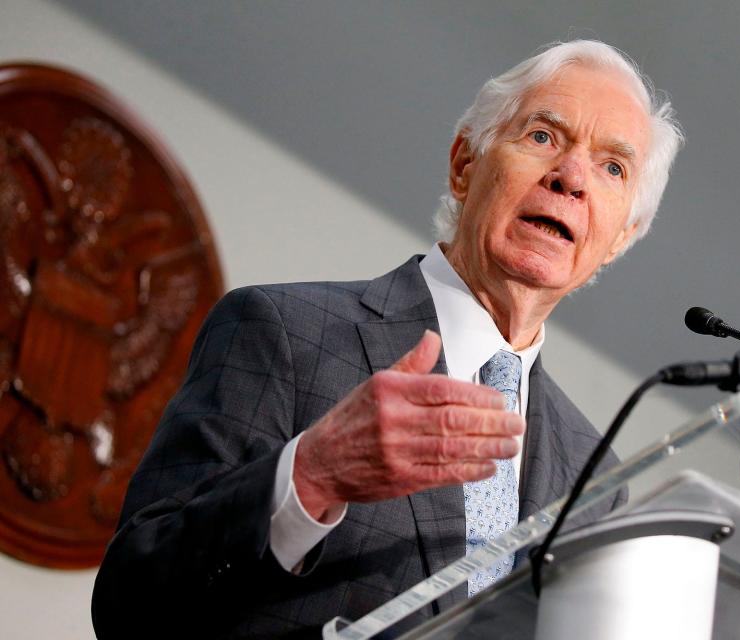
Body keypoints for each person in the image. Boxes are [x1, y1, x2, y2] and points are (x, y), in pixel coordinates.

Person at [91, 39, 682, 639]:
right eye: (543, 137)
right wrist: (312, 477)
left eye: (613, 167)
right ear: (464, 165)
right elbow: (129, 602)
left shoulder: (595, 477)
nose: (572, 178)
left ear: (620, 238)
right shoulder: (280, 331)